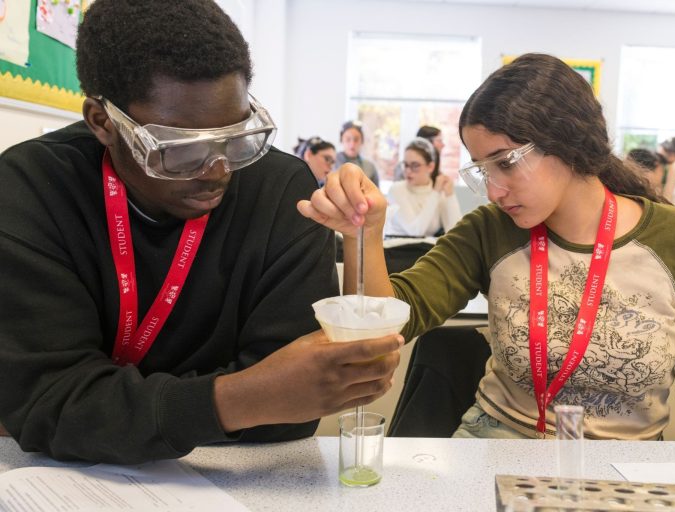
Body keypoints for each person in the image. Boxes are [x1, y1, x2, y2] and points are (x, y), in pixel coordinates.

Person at [0, 0, 402, 464]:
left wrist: (112, 410)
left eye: (235, 137)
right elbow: (47, 403)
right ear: (102, 122)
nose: (216, 169)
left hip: (242, 476)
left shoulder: (282, 192)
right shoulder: (33, 188)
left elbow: (291, 412)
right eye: (179, 148)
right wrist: (238, 398)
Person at [299, 53, 675, 442]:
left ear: (568, 139)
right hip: (491, 454)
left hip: (621, 478)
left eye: (505, 163)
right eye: (481, 170)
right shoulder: (489, 231)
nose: (494, 190)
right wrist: (363, 233)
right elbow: (382, 334)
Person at [385, 137, 461, 238]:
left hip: (427, 250)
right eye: (406, 165)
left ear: (430, 167)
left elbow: (456, 232)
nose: (408, 171)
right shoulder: (397, 189)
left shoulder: (437, 192)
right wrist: (435, 192)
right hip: (396, 250)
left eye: (415, 165)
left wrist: (450, 195)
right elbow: (416, 231)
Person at [335, 120, 379, 187]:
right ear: (341, 140)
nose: (352, 144)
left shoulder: (370, 167)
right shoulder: (331, 164)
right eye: (348, 139)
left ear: (362, 141)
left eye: (356, 139)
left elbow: (376, 194)